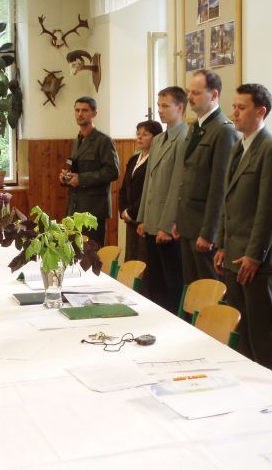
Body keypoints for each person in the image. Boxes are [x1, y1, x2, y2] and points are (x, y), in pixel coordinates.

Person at [214, 83, 272, 374]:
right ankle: (246, 379)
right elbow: (228, 200)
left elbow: (271, 210)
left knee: (262, 329)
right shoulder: (240, 145)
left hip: (257, 258)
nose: (234, 112)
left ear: (261, 111)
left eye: (242, 107)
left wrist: (255, 255)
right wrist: (222, 244)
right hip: (235, 253)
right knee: (241, 327)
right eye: (234, 106)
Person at [168, 69, 239, 286]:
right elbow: (187, 177)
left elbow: (220, 188)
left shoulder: (223, 130)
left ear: (214, 95)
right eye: (189, 92)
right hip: (188, 224)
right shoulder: (196, 127)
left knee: (208, 291)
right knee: (191, 289)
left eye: (196, 93)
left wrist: (209, 233)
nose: (190, 97)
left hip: (204, 229)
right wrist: (179, 220)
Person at [137, 86, 188, 314]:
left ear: (180, 107)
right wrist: (142, 218)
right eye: (159, 105)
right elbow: (149, 181)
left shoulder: (184, 137)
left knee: (171, 283)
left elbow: (178, 184)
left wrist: (167, 225)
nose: (160, 110)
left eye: (165, 106)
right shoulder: (158, 140)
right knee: (155, 282)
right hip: (152, 220)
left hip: (167, 225)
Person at [59, 96, 119, 247]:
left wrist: (81, 179)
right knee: (73, 252)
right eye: (77, 110)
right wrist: (66, 177)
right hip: (74, 206)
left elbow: (112, 172)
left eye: (84, 110)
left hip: (93, 209)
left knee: (91, 254)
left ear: (94, 113)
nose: (80, 114)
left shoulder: (103, 140)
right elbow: (75, 168)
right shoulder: (77, 141)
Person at [118, 120, 162, 264]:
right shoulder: (134, 159)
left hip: (144, 217)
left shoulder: (156, 160)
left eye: (145, 134)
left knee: (143, 261)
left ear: (156, 138)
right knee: (130, 259)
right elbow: (124, 188)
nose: (140, 137)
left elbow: (150, 191)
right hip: (130, 218)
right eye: (138, 134)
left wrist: (131, 212)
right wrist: (123, 210)